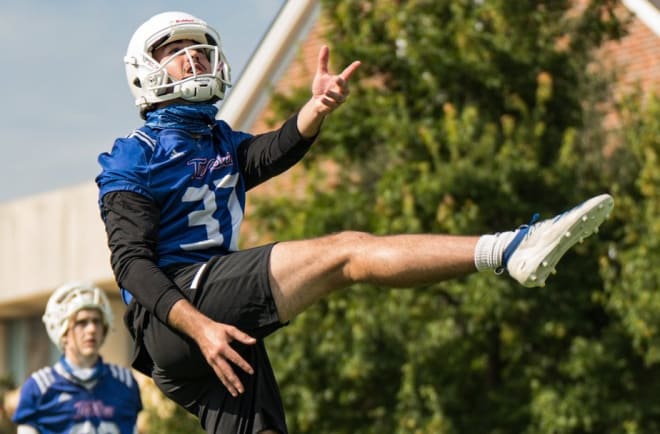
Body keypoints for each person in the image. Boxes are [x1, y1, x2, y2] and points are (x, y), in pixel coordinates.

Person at [95, 11, 614, 434]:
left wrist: (316, 107)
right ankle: (509, 248)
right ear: (146, 71)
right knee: (347, 252)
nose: (194, 59)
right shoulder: (132, 157)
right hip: (175, 316)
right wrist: (201, 326)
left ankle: (509, 249)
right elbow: (131, 265)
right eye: (176, 51)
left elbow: (272, 151)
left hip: (213, 321)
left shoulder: (218, 141)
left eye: (200, 49)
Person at [12, 282, 142, 434]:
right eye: (82, 322)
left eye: (96, 321)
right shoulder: (39, 387)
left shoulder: (124, 381)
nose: (92, 329)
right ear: (63, 331)